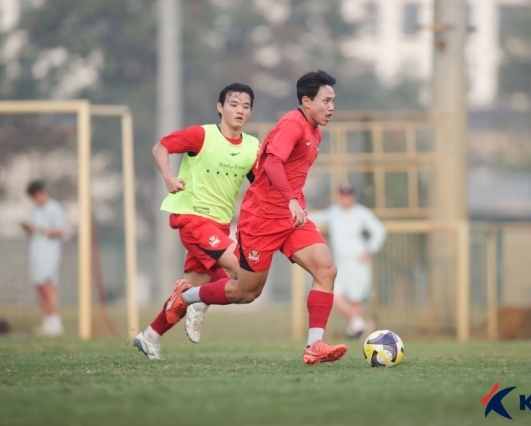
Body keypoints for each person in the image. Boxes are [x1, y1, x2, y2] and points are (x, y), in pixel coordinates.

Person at [162, 70, 348, 365]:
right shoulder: (292, 124)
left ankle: (315, 346)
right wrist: (289, 199)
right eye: (326, 101)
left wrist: (294, 203)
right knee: (245, 292)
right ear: (306, 101)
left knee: (326, 271)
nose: (331, 107)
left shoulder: (315, 130)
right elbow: (273, 164)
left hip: (291, 218)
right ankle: (185, 297)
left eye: (333, 101)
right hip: (262, 219)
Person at [133, 83, 259, 360]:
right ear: (220, 107)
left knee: (195, 286)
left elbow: (262, 184)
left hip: (221, 225)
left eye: (246, 106)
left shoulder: (252, 147)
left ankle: (150, 336)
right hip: (193, 220)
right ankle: (198, 302)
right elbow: (160, 147)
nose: (240, 110)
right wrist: (168, 177)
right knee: (242, 273)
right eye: (234, 104)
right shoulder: (201, 135)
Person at [309, 183, 386, 338]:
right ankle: (358, 323)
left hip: (357, 262)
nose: (345, 199)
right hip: (339, 263)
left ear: (353, 197)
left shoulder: (361, 213)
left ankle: (355, 330)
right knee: (335, 295)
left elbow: (379, 230)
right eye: (343, 196)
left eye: (348, 196)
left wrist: (370, 250)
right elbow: (315, 218)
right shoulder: (333, 212)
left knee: (356, 299)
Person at [22, 180, 65, 336]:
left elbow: (60, 231)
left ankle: (56, 323)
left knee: (48, 286)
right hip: (36, 253)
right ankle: (47, 323)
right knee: (40, 287)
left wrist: (40, 229)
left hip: (49, 254)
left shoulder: (54, 208)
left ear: (40, 193)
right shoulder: (35, 210)